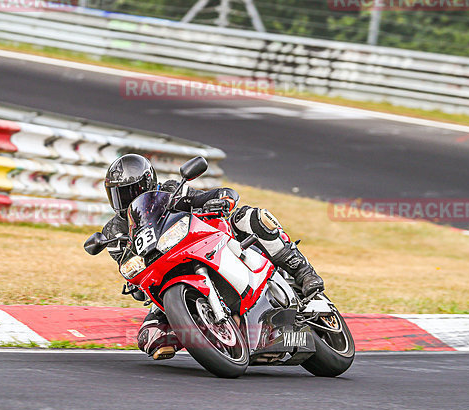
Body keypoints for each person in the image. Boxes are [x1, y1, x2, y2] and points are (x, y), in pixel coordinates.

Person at [97, 154, 324, 360]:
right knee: (151, 337)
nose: (126, 199)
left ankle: (303, 273)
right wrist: (135, 282)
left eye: (131, 191)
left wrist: (222, 199)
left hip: (203, 246)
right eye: (119, 194)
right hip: (164, 278)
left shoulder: (170, 191)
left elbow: (208, 196)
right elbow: (126, 266)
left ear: (146, 183)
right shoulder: (113, 232)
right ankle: (213, 332)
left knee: (252, 217)